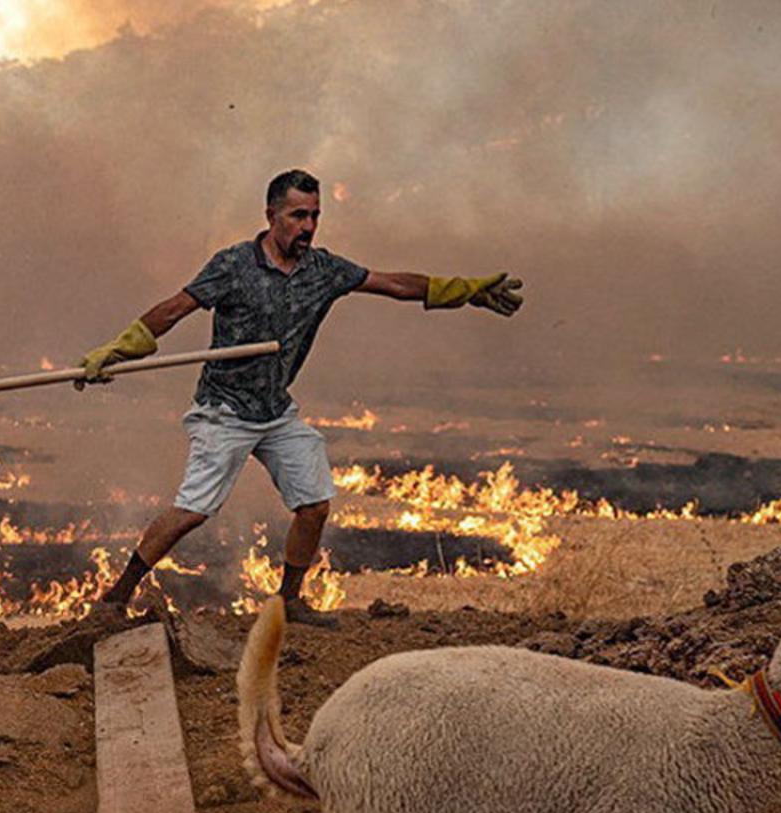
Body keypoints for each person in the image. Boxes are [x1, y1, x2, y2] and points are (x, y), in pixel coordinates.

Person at [79, 169, 522, 627]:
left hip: (276, 411)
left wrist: (466, 291)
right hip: (225, 411)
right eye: (297, 215)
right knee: (193, 512)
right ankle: (116, 595)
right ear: (272, 216)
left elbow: (393, 285)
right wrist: (119, 348)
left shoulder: (323, 271)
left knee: (314, 505)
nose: (308, 226)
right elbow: (175, 309)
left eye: (314, 216)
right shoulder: (234, 265)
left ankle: (288, 600)